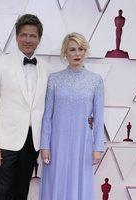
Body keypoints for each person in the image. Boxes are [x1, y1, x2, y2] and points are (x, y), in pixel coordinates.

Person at [0, 14, 53, 200]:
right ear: (16, 36)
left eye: (33, 36)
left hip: (32, 141)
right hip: (4, 141)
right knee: (4, 193)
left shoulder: (46, 68)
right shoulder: (0, 64)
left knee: (22, 192)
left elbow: (52, 105)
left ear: (39, 39)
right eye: (24, 35)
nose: (28, 40)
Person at [39, 32, 105, 200]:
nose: (77, 54)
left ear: (85, 52)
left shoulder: (96, 80)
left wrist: (98, 147)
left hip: (82, 143)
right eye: (72, 49)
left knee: (80, 185)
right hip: (56, 143)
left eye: (81, 49)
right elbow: (47, 115)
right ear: (65, 53)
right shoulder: (54, 79)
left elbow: (99, 116)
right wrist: (45, 145)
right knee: (55, 184)